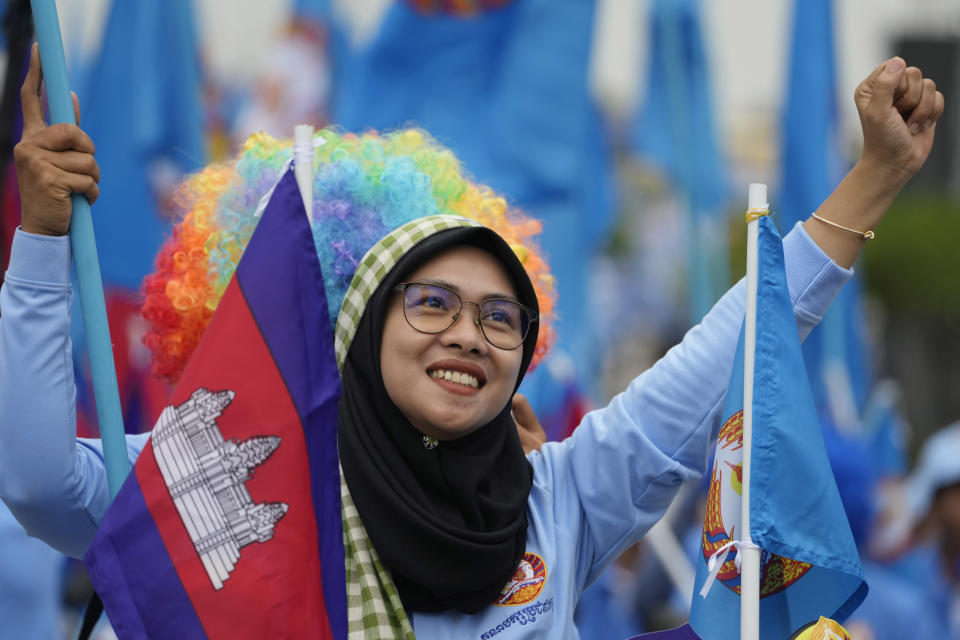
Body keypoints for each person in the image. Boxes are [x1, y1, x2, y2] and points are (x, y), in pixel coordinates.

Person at [1, 42, 945, 637]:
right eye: (431, 304)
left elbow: (727, 351)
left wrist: (875, 177)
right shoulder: (226, 475)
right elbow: (40, 481)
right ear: (360, 326)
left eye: (502, 318)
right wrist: (42, 238)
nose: (471, 335)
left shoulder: (560, 497)